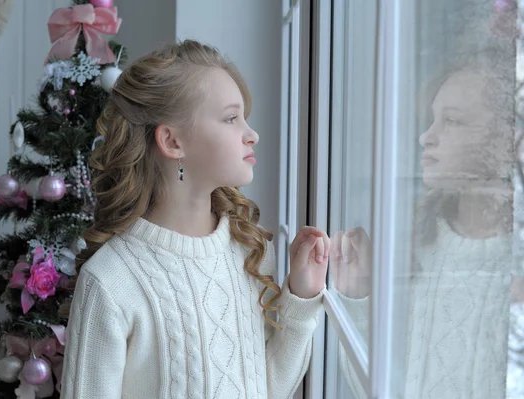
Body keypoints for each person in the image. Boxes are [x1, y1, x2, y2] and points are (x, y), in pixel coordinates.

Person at [59, 39, 331, 399]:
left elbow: (268, 388)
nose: (252, 134)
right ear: (172, 142)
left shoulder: (248, 252)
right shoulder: (111, 281)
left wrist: (299, 296)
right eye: (232, 118)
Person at [331, 57, 517, 399]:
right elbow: (374, 391)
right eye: (433, 120)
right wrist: (358, 299)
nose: (425, 137)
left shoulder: (512, 268)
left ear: (509, 143)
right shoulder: (414, 249)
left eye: (453, 122)